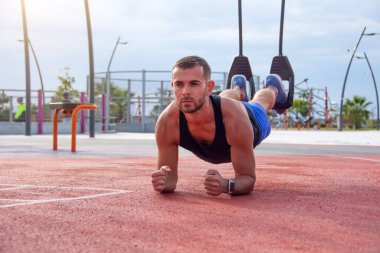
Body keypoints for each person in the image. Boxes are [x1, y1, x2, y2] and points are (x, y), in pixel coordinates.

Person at [151, 55, 288, 196]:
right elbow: (170, 180)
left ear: (209, 87)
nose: (185, 91)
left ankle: (274, 87)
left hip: (251, 119)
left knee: (260, 102)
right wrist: (164, 182)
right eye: (179, 84)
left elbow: (247, 179)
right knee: (221, 100)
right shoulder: (167, 123)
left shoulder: (235, 119)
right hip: (218, 107)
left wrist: (227, 185)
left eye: (194, 84)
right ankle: (239, 89)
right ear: (173, 87)